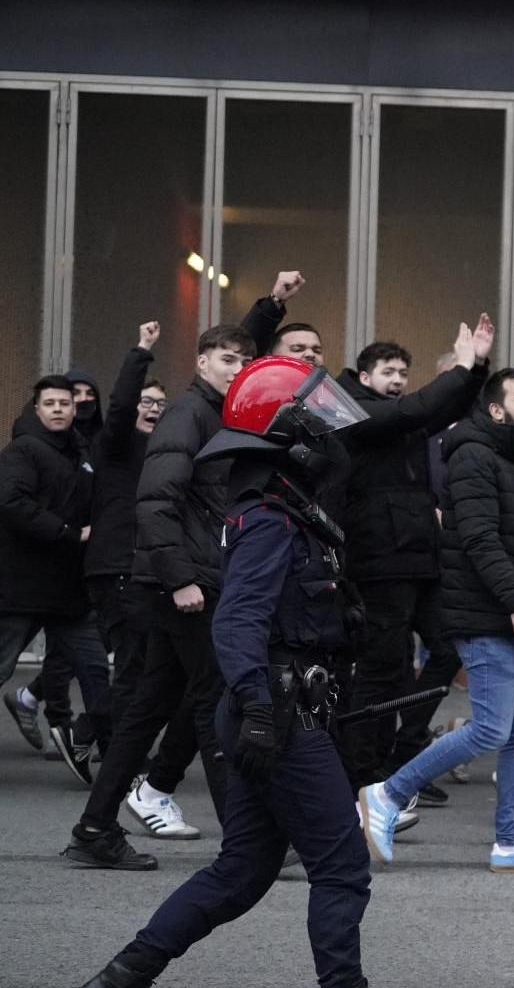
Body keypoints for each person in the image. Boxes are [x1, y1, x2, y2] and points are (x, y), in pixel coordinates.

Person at [74, 354, 373, 988]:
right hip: (276, 710)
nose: (328, 436)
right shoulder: (269, 517)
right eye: (314, 423)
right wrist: (259, 708)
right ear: (288, 437)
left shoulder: (282, 509)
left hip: (274, 706)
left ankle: (126, 972)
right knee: (342, 866)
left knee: (240, 873)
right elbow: (236, 621)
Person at [360, 360, 514, 874]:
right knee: (491, 731)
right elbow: (478, 540)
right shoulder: (475, 456)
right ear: (496, 409)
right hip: (491, 618)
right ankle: (386, 795)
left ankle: (510, 843)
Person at [62, 324, 256, 870]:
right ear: (201, 362)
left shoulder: (215, 414)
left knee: (148, 711)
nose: (237, 368)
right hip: (181, 586)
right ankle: (244, 842)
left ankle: (95, 828)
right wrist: (180, 579)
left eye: (245, 360)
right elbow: (155, 502)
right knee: (216, 703)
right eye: (227, 359)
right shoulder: (189, 415)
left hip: (181, 581)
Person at [331, 318, 493, 799]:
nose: (399, 379)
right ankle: (362, 778)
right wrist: (460, 365)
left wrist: (477, 367)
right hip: (381, 559)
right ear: (364, 377)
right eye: (388, 371)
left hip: (419, 557)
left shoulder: (397, 413)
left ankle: (402, 753)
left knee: (446, 647)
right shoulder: (354, 410)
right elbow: (418, 408)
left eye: (404, 371)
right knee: (382, 668)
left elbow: (447, 407)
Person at [0, 374, 106, 785]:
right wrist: (68, 533)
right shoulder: (23, 450)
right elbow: (11, 503)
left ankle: (109, 756)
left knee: (96, 669)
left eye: (67, 403)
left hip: (68, 591)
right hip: (21, 589)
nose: (61, 408)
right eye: (52, 403)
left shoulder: (82, 452)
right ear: (38, 409)